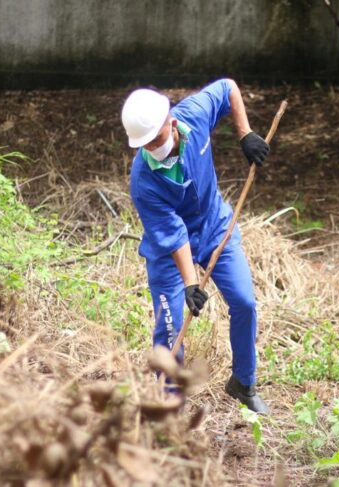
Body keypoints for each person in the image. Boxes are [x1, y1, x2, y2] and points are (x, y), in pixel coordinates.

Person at [121, 79, 270, 412]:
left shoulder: (194, 115)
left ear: (170, 121)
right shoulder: (143, 182)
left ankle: (243, 383)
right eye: (144, 144)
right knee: (171, 328)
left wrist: (245, 133)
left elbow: (228, 87)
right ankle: (169, 404)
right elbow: (173, 236)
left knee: (244, 302)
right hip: (168, 253)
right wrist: (190, 283)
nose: (153, 148)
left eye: (156, 138)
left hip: (215, 226)